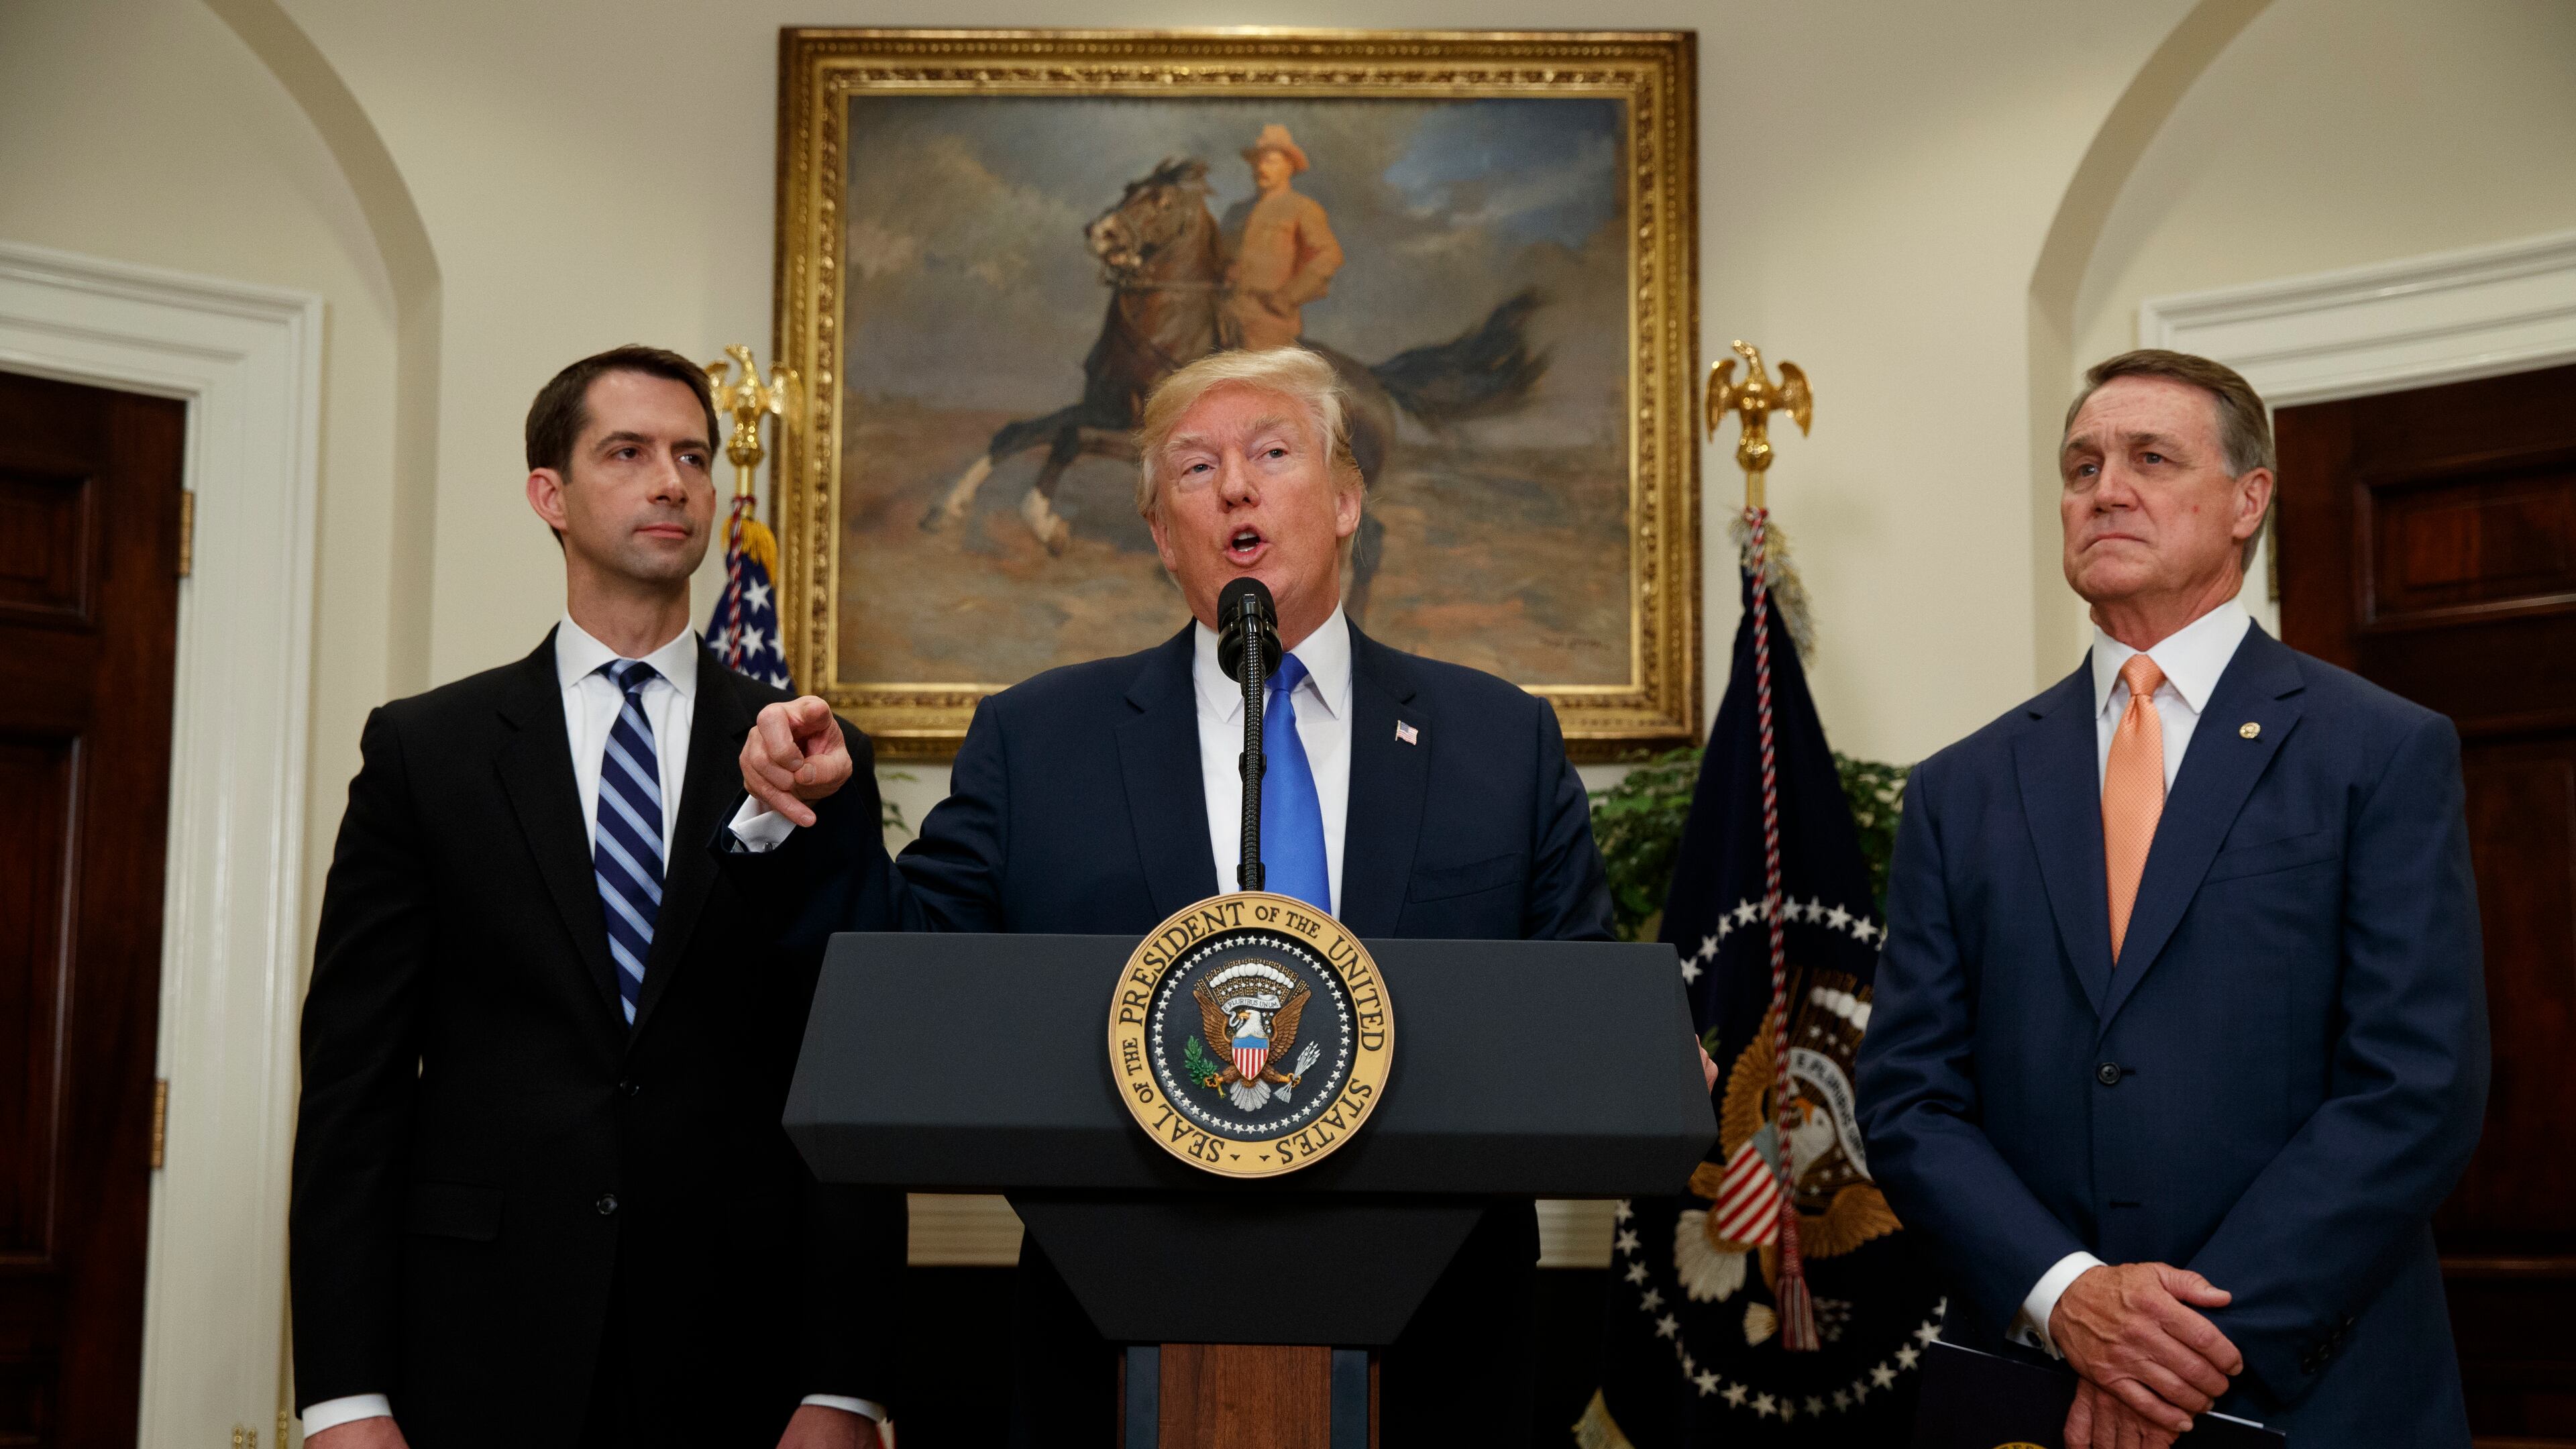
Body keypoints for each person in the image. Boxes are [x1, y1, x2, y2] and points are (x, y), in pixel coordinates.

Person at [723, 345, 1612, 1446]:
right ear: (1158, 533)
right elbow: (912, 980)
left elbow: (1580, 1004)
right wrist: (816, 816)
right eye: (1194, 469)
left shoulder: (1499, 740)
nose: (1235, 486)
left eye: (1272, 454)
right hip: (1114, 1341)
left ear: (1345, 501)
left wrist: (1643, 1057)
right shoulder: (1039, 740)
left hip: (1442, 1350)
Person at [1856, 350, 2490, 1447]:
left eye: (2151, 458)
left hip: (2313, 1387)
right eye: (2081, 465)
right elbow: (1912, 1100)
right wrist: (2070, 1300)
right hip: (2036, 1389)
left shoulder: (2378, 751)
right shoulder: (1961, 788)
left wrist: (2171, 1346)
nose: (2105, 488)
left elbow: (2415, 1086)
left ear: (2249, 501)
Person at [289, 347, 903, 1449]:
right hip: (476, 1343)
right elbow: (355, 1085)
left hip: (743, 1356)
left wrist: (845, 1383)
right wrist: (344, 1395)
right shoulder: (428, 753)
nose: (671, 481)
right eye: (627, 453)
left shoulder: (811, 753)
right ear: (550, 495)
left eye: (692, 457)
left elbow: (855, 1081)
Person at [1220, 124, 1344, 351]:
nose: (1260, 168)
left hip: (1270, 322)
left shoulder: (1302, 208)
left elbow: (1329, 256)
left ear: (1289, 167)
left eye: (1270, 162)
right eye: (1257, 162)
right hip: (1224, 318)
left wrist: (1288, 297)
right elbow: (1216, 257)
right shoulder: (1236, 212)